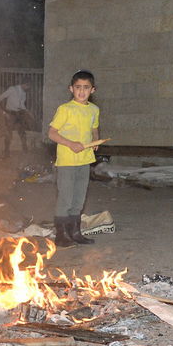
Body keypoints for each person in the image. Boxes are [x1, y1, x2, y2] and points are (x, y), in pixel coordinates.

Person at [47, 71, 100, 246]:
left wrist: (95, 140)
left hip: (85, 160)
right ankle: (61, 234)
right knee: (65, 198)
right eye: (78, 87)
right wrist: (70, 144)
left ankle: (75, 231)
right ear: (71, 89)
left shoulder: (94, 109)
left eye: (86, 88)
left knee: (79, 198)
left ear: (93, 90)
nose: (82, 91)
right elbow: (52, 133)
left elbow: (94, 128)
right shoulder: (65, 109)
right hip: (67, 161)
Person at [0, 81, 32, 153]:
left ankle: (25, 149)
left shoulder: (24, 93)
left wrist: (27, 111)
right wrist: (4, 111)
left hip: (19, 114)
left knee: (22, 131)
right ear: (24, 84)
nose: (28, 88)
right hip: (10, 114)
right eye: (28, 86)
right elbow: (0, 98)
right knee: (8, 132)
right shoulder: (12, 89)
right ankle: (6, 151)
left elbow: (21, 105)